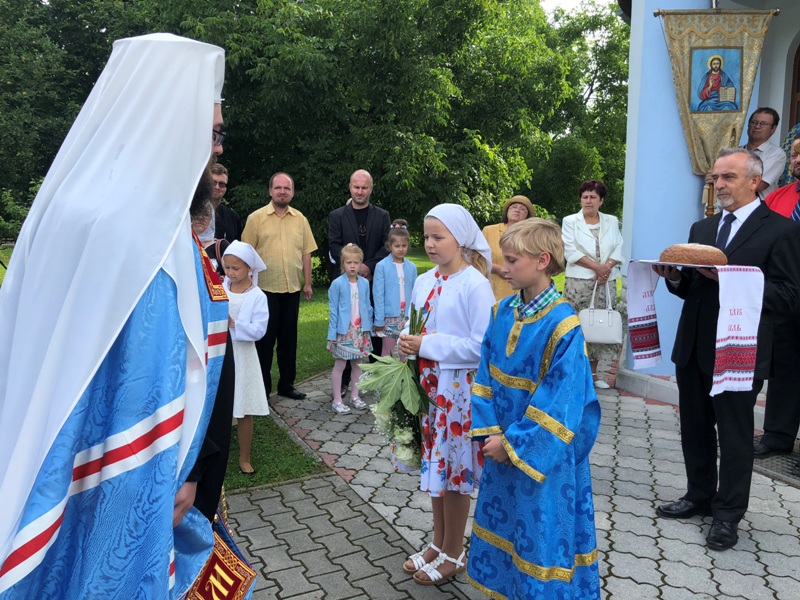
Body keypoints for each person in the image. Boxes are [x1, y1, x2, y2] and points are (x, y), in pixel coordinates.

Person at [0, 33, 230, 596]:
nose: (217, 150)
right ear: (169, 122)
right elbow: (149, 393)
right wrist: (186, 477)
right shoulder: (144, 238)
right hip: (113, 486)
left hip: (43, 461)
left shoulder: (73, 209)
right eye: (211, 132)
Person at [652, 148, 800, 552]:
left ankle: (728, 514)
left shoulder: (781, 231)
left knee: (734, 436)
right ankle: (698, 496)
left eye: (728, 177)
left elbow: (788, 297)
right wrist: (674, 278)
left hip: (740, 352)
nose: (719, 185)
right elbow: (693, 288)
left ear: (755, 181)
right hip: (694, 346)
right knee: (694, 428)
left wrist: (729, 279)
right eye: (715, 178)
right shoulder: (702, 228)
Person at [467, 218, 601, 599]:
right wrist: (492, 434)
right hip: (500, 446)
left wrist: (512, 445)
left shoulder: (564, 325)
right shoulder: (502, 311)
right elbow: (484, 375)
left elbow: (562, 403)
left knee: (540, 539)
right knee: (507, 528)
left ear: (542, 261)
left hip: (543, 460)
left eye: (512, 260)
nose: (503, 268)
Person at [398, 204, 494, 586]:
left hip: (457, 395)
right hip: (429, 390)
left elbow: (481, 346)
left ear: (461, 238)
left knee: (455, 474)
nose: (430, 243)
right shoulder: (424, 280)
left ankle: (455, 551)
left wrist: (427, 344)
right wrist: (406, 341)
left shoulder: (475, 284)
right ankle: (437, 544)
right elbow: (414, 324)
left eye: (439, 237)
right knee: (436, 468)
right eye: (427, 236)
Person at [242, 172, 317, 401]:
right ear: (270, 191)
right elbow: (246, 254)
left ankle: (287, 385)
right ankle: (262, 390)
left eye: (287, 188)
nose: (282, 191)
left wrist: (307, 283)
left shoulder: (300, 219)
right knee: (264, 342)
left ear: (292, 192)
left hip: (291, 289)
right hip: (264, 290)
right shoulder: (256, 218)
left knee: (288, 340)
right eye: (278, 188)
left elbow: (306, 253)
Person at [328, 169, 391, 390]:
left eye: (364, 187)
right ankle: (345, 379)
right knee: (347, 326)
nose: (360, 191)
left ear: (371, 189)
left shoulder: (382, 216)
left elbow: (387, 245)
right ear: (350, 187)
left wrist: (368, 266)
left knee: (375, 327)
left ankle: (376, 376)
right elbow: (334, 245)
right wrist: (353, 267)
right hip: (347, 283)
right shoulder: (337, 216)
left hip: (374, 281)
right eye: (356, 187)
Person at [759, 135, 800, 471]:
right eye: (795, 154)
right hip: (786, 297)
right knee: (785, 367)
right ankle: (776, 436)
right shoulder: (779, 197)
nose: (796, 160)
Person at [561, 179, 624, 389]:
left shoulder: (611, 221)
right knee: (577, 325)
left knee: (599, 326)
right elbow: (570, 250)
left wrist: (607, 267)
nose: (588, 201)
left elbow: (618, 246)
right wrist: (597, 268)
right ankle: (573, 374)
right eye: (585, 197)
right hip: (578, 283)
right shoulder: (570, 221)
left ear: (601, 200)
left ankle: (596, 375)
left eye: (593, 197)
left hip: (606, 282)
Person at [222, 241, 270, 476]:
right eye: (227, 268)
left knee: (244, 406)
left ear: (249, 268)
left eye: (236, 268)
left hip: (242, 355)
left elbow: (259, 329)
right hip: (220, 352)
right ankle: (216, 452)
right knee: (220, 404)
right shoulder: (220, 288)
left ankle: (244, 457)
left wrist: (235, 324)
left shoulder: (257, 296)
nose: (230, 273)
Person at [327, 243, 373, 413]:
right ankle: (337, 400)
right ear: (342, 264)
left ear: (361, 264)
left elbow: (367, 306)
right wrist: (332, 334)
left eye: (356, 262)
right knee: (340, 365)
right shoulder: (337, 284)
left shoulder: (364, 283)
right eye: (349, 262)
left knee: (358, 365)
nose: (352, 266)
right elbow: (333, 311)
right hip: (343, 332)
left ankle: (355, 396)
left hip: (360, 332)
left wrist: (369, 328)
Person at [373, 219, 418, 358]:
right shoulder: (381, 266)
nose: (401, 249)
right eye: (397, 246)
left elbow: (416, 294)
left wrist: (416, 317)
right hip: (389, 318)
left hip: (407, 316)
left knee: (406, 350)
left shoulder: (412, 267)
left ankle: (405, 372)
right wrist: (379, 320)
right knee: (388, 351)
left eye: (404, 245)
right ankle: (387, 373)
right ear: (389, 246)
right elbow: (378, 294)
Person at [481, 194, 536, 301]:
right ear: (507, 211)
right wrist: (497, 269)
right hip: (492, 291)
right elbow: (476, 259)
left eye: (523, 209)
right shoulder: (489, 231)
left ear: (527, 216)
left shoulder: (531, 236)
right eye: (514, 207)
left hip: (523, 292)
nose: (517, 210)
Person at [210, 163, 243, 243]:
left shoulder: (233, 218)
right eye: (213, 182)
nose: (217, 187)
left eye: (221, 184)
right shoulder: (192, 213)